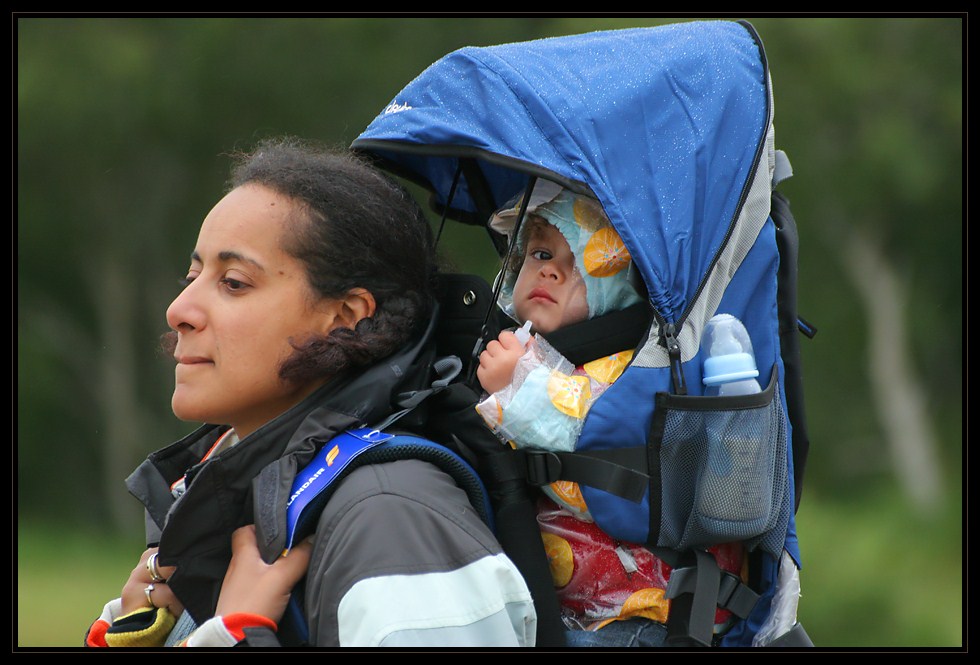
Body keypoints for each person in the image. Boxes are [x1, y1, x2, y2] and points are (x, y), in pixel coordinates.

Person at [85, 137, 536, 648]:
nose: (179, 309)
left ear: (345, 317)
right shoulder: (233, 497)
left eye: (233, 282)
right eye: (193, 275)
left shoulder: (391, 517)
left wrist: (234, 638)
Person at [474, 181, 743, 647]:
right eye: (539, 254)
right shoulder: (546, 353)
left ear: (616, 284)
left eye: (576, 262)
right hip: (581, 610)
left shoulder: (629, 369)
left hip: (640, 612)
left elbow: (582, 441)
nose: (551, 272)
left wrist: (516, 385)